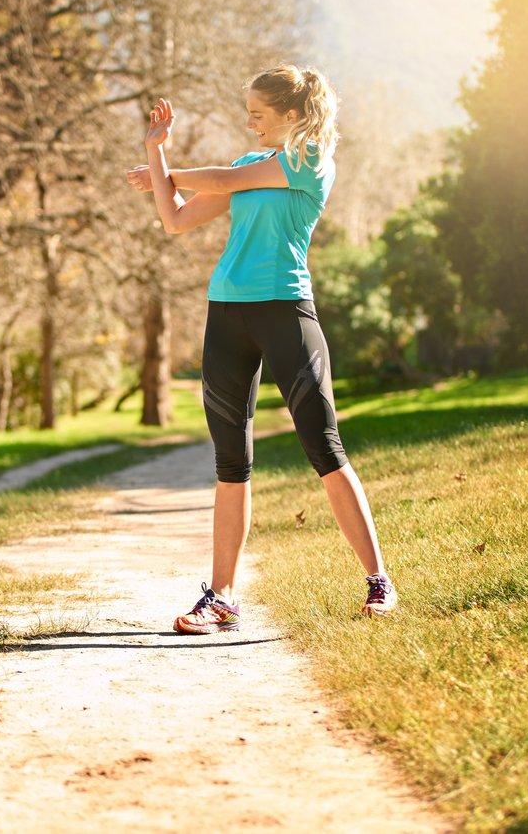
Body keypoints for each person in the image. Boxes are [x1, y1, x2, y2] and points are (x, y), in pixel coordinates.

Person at [125, 64, 398, 632]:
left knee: (324, 447)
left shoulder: (308, 163)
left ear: (293, 116)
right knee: (231, 462)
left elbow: (219, 182)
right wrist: (157, 154)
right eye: (248, 112)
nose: (248, 122)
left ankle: (378, 580)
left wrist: (172, 171)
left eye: (259, 113)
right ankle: (221, 596)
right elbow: (175, 219)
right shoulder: (251, 168)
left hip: (285, 313)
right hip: (226, 313)